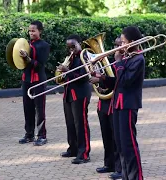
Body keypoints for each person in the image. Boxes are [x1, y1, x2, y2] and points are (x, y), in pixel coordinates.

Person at [91, 26, 144, 180]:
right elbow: (118, 82)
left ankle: (137, 177)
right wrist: (102, 78)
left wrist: (118, 62)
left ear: (132, 42)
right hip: (118, 104)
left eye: (123, 42)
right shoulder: (128, 57)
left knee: (129, 145)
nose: (120, 46)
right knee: (120, 145)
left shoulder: (138, 59)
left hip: (128, 105)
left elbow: (127, 81)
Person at [91, 37, 122, 179]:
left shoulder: (123, 64)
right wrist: (98, 83)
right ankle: (108, 164)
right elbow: (104, 82)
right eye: (115, 45)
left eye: (119, 44)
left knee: (116, 137)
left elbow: (118, 83)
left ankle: (119, 167)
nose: (116, 47)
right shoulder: (107, 63)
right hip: (103, 104)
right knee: (106, 135)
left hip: (114, 103)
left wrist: (102, 79)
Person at [58, 35, 92, 164]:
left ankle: (84, 153)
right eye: (69, 48)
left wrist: (68, 70)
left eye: (73, 46)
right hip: (69, 93)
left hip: (80, 94)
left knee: (80, 123)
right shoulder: (70, 58)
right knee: (70, 122)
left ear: (80, 44)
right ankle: (73, 148)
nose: (71, 50)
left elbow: (84, 77)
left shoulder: (85, 57)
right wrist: (61, 74)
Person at [18, 20, 50, 146]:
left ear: (40, 31)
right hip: (26, 79)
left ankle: (42, 135)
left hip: (38, 80)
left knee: (40, 109)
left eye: (33, 30)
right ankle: (29, 134)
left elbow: (39, 65)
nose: (31, 33)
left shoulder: (44, 45)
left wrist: (27, 58)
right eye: (29, 30)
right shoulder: (25, 45)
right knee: (27, 108)